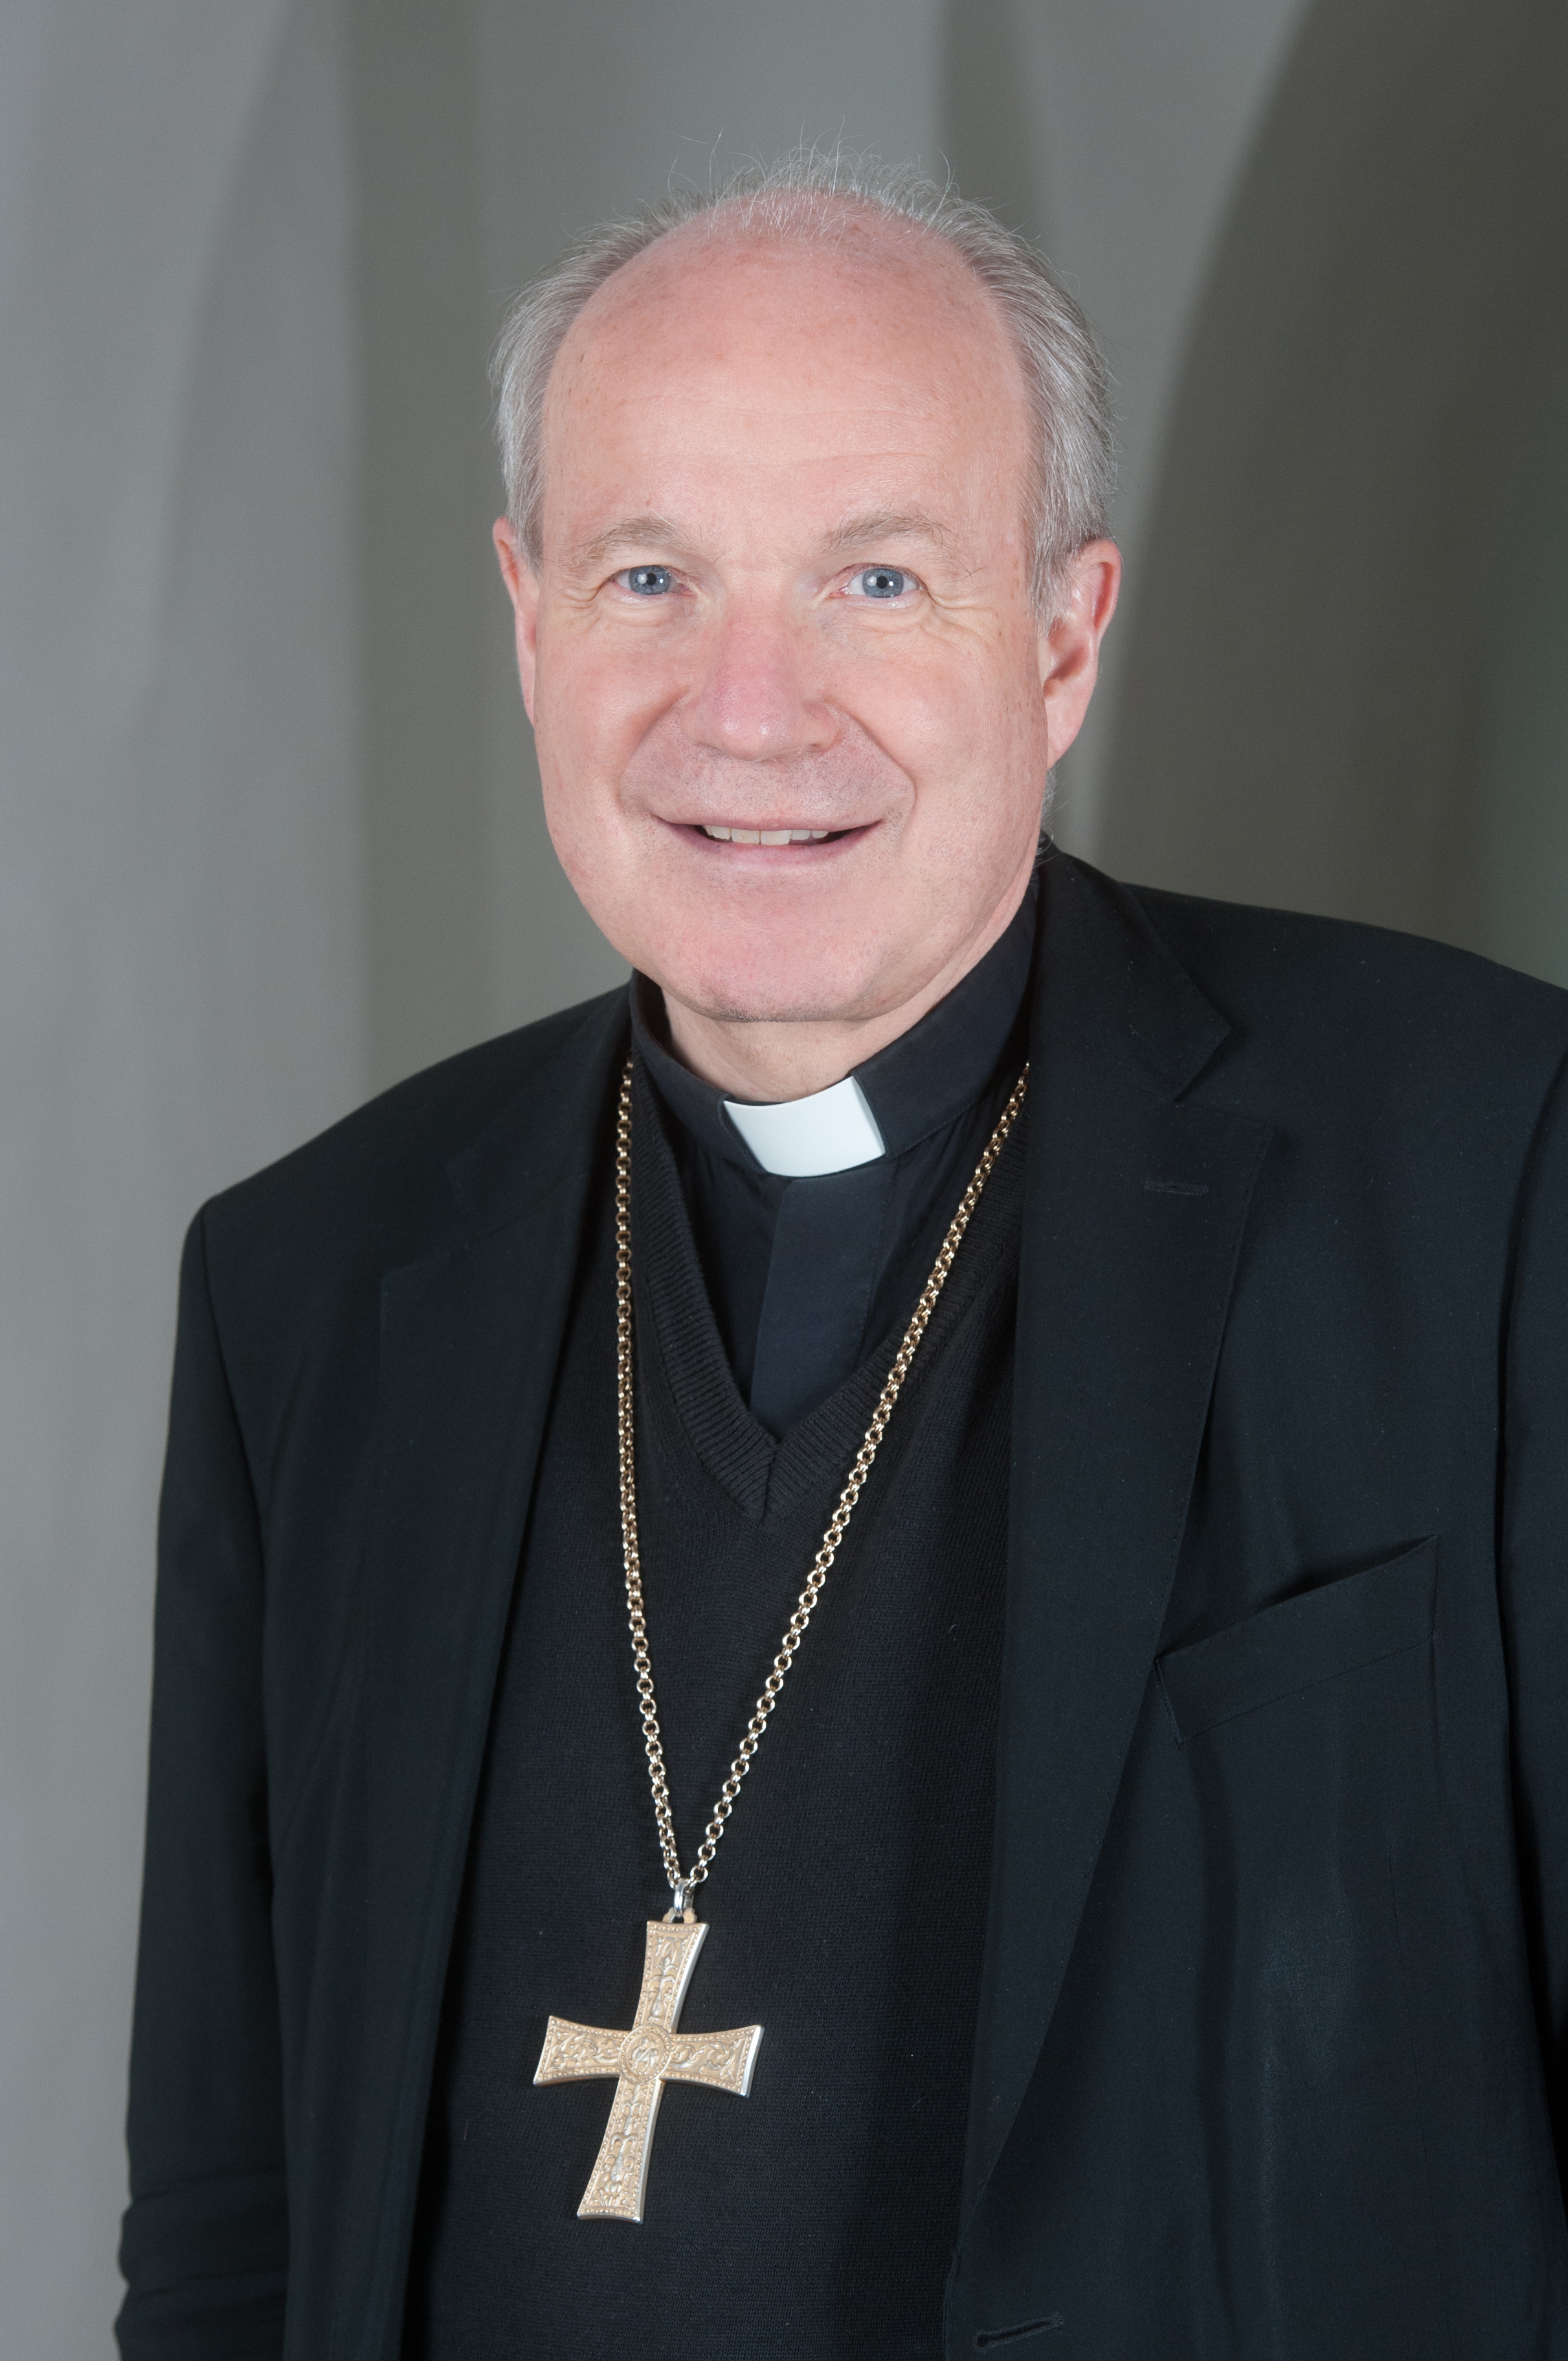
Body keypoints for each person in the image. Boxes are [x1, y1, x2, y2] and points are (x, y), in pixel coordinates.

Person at [116, 153, 1568, 2361]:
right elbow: (232, 2224)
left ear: (1061, 636)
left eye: (877, 579)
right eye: (649, 577)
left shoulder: (1487, 1167)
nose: (751, 709)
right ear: (526, 620)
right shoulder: (312, 1282)